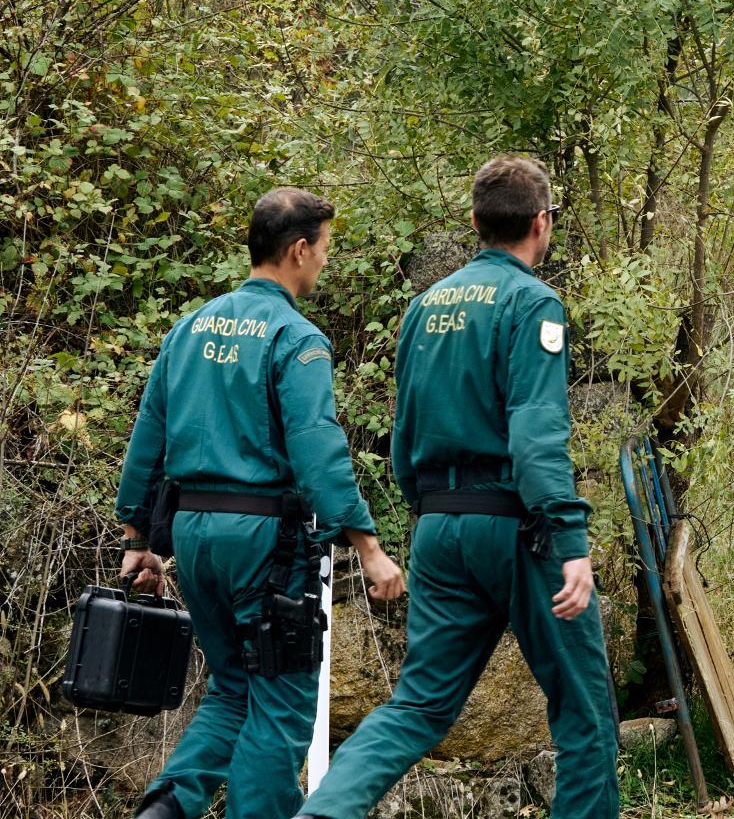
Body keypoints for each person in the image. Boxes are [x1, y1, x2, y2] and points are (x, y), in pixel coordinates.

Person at [297, 156, 619, 819]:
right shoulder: (533, 303)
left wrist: (430, 512)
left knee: (417, 706)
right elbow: (536, 435)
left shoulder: (425, 307)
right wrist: (569, 539)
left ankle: (320, 814)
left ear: (474, 221)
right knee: (584, 711)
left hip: (439, 528)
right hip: (518, 531)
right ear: (542, 222)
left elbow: (406, 427)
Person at [113, 188, 406, 819]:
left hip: (192, 537)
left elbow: (148, 439)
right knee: (281, 704)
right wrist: (369, 546)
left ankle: (163, 809)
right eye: (324, 248)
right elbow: (317, 448)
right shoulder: (296, 338)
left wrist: (138, 542)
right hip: (264, 545)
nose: (326, 260)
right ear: (298, 250)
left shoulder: (189, 329)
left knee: (233, 690)